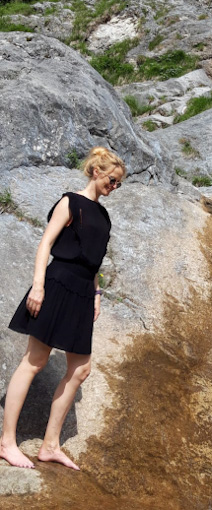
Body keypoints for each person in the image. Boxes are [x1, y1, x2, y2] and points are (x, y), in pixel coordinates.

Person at [0, 146, 126, 470]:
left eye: (119, 184)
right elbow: (46, 244)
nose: (114, 187)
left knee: (81, 368)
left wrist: (97, 294)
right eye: (112, 181)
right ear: (96, 171)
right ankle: (7, 442)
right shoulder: (70, 202)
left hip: (83, 291)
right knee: (35, 361)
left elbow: (94, 260)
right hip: (57, 283)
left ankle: (50, 445)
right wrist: (38, 286)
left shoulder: (104, 215)